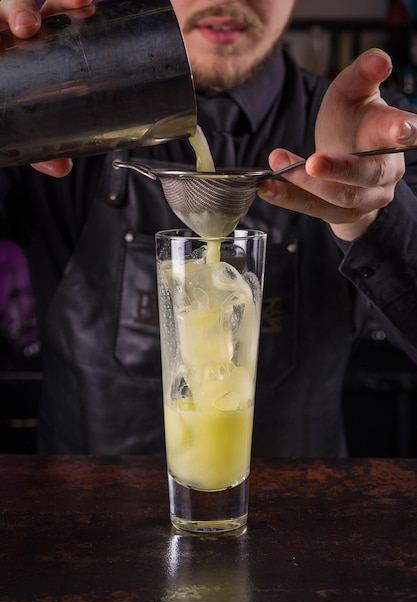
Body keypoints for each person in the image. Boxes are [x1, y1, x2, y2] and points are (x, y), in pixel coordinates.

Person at [1, 0, 417, 456]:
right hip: (86, 515)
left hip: (300, 518)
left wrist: (371, 217)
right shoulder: (54, 118)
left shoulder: (371, 139)